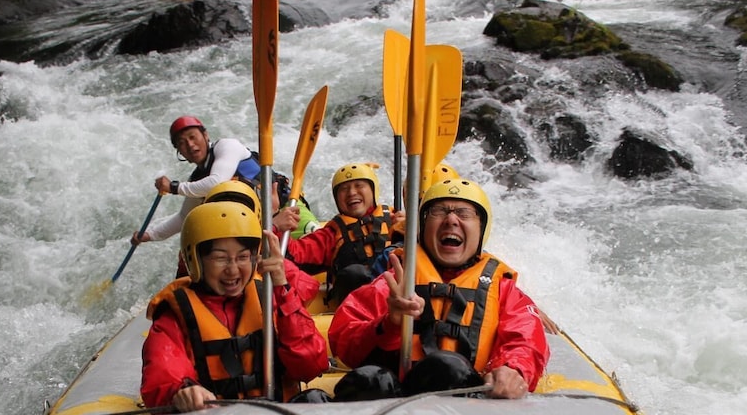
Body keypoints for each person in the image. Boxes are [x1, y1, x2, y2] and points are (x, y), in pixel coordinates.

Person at [327, 177, 550, 399]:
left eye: (463, 213)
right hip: (398, 403)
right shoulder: (396, 282)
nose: (451, 220)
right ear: (423, 227)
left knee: (447, 368)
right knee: (371, 380)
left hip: (471, 405)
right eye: (439, 212)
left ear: (481, 229)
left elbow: (525, 340)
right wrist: (389, 323)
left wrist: (514, 367)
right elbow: (344, 340)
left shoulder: (505, 291)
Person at [140, 200, 329, 412]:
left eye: (243, 257)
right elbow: (163, 369)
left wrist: (282, 287)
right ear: (195, 260)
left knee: (315, 398)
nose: (233, 270)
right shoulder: (175, 314)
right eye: (220, 258)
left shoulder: (270, 295)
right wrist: (182, 389)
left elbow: (311, 365)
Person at [273, 162, 406, 307]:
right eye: (344, 188)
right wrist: (276, 226)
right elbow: (289, 256)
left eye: (359, 185)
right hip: (356, 309)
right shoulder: (330, 235)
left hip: (397, 300)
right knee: (354, 274)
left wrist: (411, 229)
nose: (351, 192)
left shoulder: (397, 221)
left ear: (373, 190)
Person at [131, 116, 260, 251]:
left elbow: (217, 183)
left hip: (273, 215)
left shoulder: (227, 146)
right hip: (247, 228)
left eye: (193, 137)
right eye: (182, 143)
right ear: (180, 152)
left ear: (205, 135)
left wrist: (174, 187)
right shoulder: (197, 181)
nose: (190, 145)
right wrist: (150, 235)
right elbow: (183, 218)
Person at [203, 180, 320, 306]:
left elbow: (308, 290)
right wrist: (271, 227)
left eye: (241, 214)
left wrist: (280, 281)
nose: (232, 220)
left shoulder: (264, 256)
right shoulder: (198, 248)